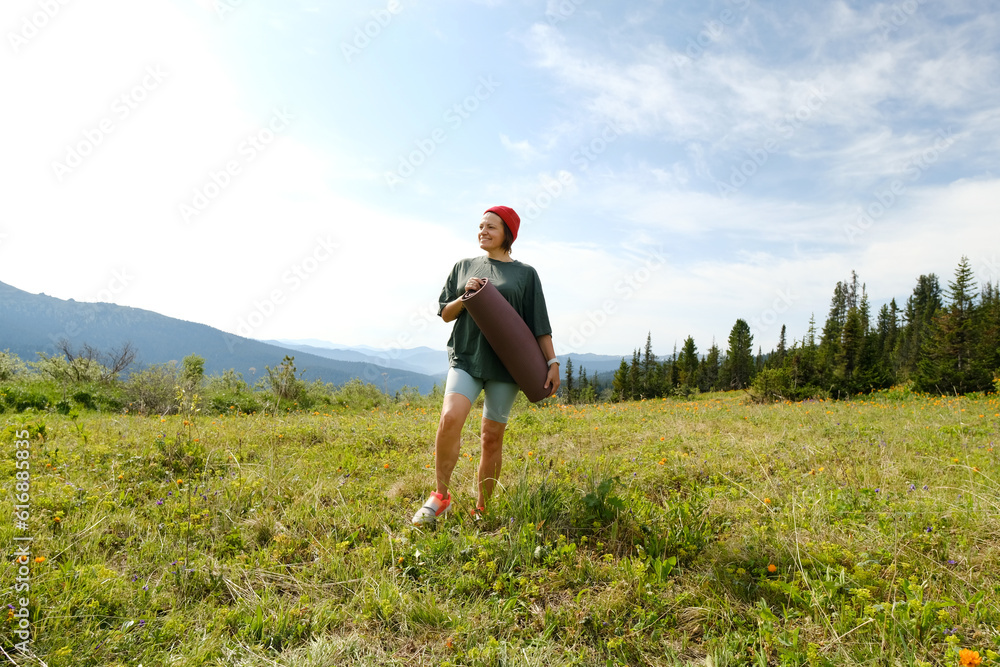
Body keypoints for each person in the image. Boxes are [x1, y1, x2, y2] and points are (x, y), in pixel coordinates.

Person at [411, 205, 560, 525]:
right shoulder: (463, 266)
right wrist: (465, 296)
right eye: (481, 226)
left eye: (491, 227)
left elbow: (538, 324)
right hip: (466, 356)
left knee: (491, 436)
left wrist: (552, 361)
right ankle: (441, 496)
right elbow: (445, 313)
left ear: (508, 233)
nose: (483, 231)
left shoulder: (525, 274)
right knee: (450, 418)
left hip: (507, 367)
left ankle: (482, 507)